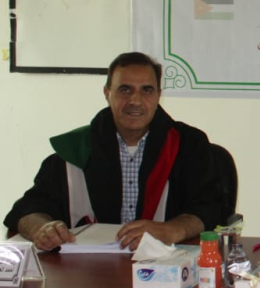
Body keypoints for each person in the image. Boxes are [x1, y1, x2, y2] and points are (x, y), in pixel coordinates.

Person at [4, 52, 225, 251]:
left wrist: (172, 230)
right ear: (107, 93)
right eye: (125, 89)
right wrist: (41, 228)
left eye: (146, 90)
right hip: (89, 271)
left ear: (158, 95)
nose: (135, 101)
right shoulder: (76, 148)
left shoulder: (189, 145)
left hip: (166, 266)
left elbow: (212, 207)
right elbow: (28, 209)